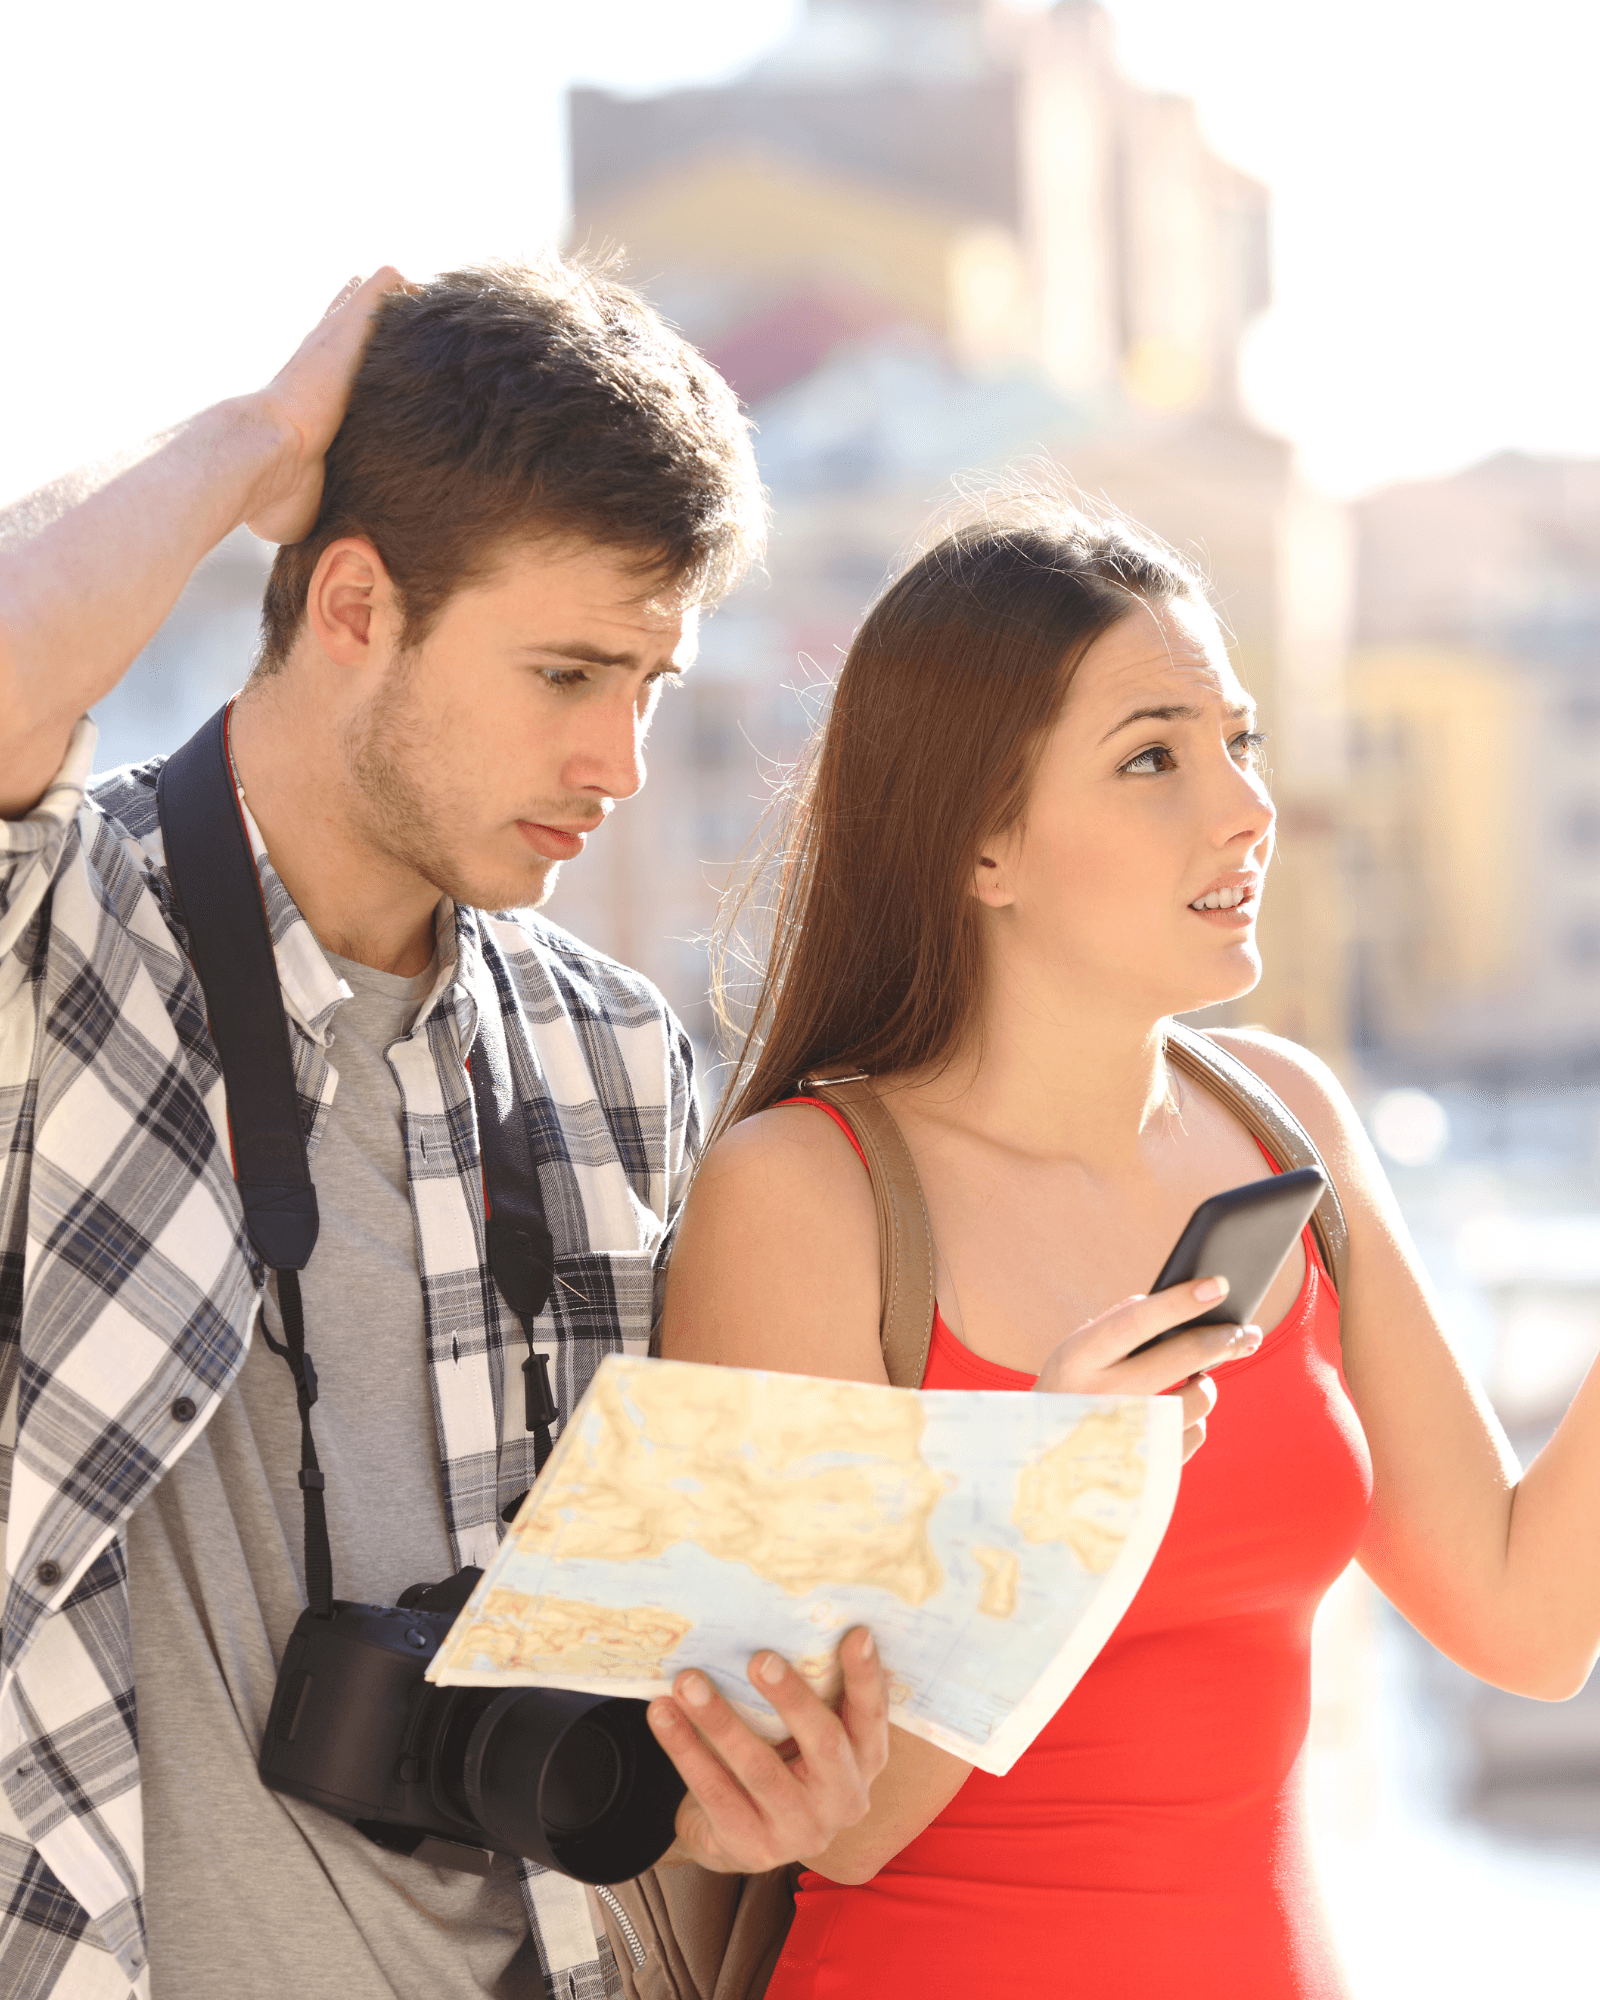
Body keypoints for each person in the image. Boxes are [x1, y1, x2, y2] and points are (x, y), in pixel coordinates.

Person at [0, 260, 888, 2000]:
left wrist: (747, 1782)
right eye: (567, 672)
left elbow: (663, 1632)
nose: (620, 760)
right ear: (352, 602)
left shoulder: (612, 1056)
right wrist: (251, 443)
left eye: (650, 683)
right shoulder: (64, 944)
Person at [661, 499, 1600, 1998]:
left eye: (1241, 741)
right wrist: (1050, 1509)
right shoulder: (801, 1196)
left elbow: (1528, 1623)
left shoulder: (1288, 1122)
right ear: (980, 843)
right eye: (1154, 757)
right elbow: (832, 1822)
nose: (1246, 808)